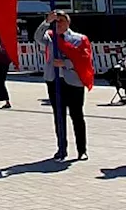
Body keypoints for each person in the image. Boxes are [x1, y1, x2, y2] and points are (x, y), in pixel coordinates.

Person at [36, 10, 94, 161]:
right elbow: (37, 37)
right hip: (54, 80)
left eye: (61, 20)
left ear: (68, 22)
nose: (58, 24)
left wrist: (66, 63)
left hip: (73, 81)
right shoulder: (50, 37)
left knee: (77, 116)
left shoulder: (79, 39)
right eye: (56, 21)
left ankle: (82, 149)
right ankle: (61, 148)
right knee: (59, 116)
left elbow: (84, 60)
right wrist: (47, 21)